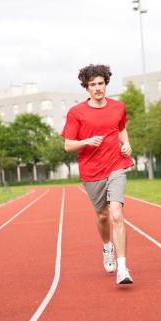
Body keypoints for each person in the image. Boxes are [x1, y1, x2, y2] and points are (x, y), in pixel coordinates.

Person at [62, 64, 135, 285]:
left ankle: (123, 268)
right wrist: (86, 141)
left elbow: (121, 129)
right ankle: (107, 246)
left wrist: (126, 144)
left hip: (116, 165)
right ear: (86, 87)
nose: (97, 88)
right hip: (92, 171)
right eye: (92, 84)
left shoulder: (118, 107)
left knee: (116, 214)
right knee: (102, 215)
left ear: (106, 84)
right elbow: (68, 145)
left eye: (100, 83)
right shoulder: (76, 113)